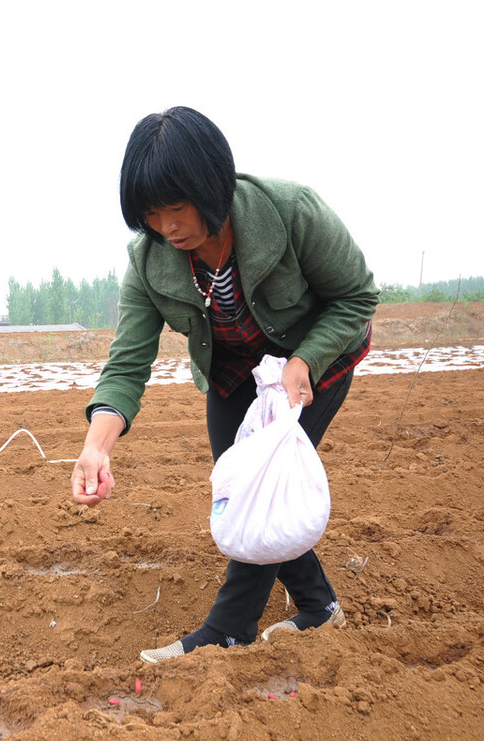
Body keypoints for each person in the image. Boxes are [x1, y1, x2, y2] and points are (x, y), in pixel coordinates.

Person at [71, 107, 378, 662]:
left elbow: (357, 296)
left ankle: (230, 627)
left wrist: (304, 360)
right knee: (246, 489)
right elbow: (127, 364)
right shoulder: (149, 263)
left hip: (313, 364)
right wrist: (96, 447)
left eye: (176, 207)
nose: (167, 227)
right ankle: (319, 607)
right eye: (151, 214)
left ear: (210, 185)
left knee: (261, 482)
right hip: (234, 373)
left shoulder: (290, 212)